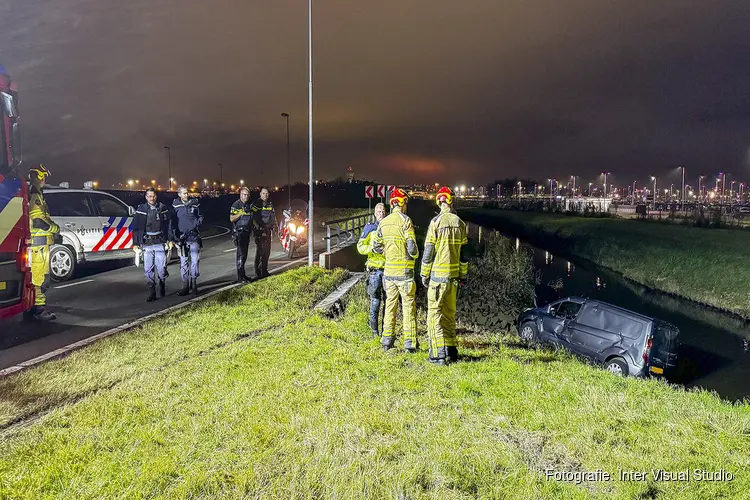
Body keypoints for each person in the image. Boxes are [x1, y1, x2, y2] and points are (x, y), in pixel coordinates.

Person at [421, 186, 469, 365]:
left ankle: (437, 354)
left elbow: (428, 253)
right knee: (449, 314)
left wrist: (424, 275)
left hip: (438, 278)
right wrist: (463, 276)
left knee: (434, 315)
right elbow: (464, 254)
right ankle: (451, 350)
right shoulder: (460, 223)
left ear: (439, 201)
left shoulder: (436, 222)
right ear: (451, 201)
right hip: (454, 278)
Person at [373, 188, 419, 352]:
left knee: (390, 307)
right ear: (402, 203)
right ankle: (410, 344)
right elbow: (412, 248)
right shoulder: (406, 220)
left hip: (389, 274)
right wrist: (414, 256)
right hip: (405, 275)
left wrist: (387, 253)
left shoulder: (383, 222)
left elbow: (376, 246)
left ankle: (386, 342)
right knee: (408, 309)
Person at [26, 164, 59, 321]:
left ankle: (33, 306)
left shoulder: (36, 194)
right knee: (40, 278)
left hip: (41, 242)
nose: (45, 179)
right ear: (39, 177)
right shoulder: (35, 195)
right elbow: (38, 221)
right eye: (43, 176)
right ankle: (39, 309)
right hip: (39, 243)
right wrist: (55, 228)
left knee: (38, 277)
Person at [133, 188, 172, 302]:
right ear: (146, 197)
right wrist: (135, 244)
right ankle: (152, 292)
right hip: (147, 243)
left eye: (153, 196)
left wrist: (169, 240)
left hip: (159, 242)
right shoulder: (141, 209)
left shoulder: (162, 208)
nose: (151, 198)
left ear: (156, 196)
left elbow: (168, 225)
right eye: (149, 196)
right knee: (148, 269)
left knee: (161, 268)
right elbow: (136, 228)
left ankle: (162, 282)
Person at [357, 202, 386, 338]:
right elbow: (360, 247)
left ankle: (386, 331)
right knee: (375, 301)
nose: (382, 213)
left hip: (387, 269)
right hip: (374, 270)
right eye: (379, 211)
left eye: (383, 211)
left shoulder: (389, 227)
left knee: (388, 302)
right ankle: (374, 332)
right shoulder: (370, 228)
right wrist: (372, 249)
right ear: (375, 213)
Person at [172, 186, 203, 295]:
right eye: (184, 193)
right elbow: (173, 221)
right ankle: (185, 285)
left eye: (187, 193)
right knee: (184, 262)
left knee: (194, 261)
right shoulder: (175, 205)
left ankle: (194, 284)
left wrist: (196, 224)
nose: (186, 195)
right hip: (182, 239)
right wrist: (175, 237)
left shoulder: (195, 203)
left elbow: (200, 216)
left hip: (194, 237)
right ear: (179, 194)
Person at [229, 187, 253, 283]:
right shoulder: (236, 205)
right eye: (244, 194)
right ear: (240, 194)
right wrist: (240, 213)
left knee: (244, 255)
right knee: (240, 255)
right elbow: (231, 218)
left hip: (246, 232)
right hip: (239, 233)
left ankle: (243, 275)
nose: (245, 196)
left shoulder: (248, 205)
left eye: (247, 195)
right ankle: (240, 277)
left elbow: (251, 218)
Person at [251, 187, 276, 278]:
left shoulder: (269, 204)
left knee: (267, 251)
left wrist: (274, 227)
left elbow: (273, 217)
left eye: (267, 193)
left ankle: (264, 270)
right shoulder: (257, 203)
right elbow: (252, 216)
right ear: (260, 194)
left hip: (268, 230)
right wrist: (258, 227)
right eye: (264, 193)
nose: (265, 195)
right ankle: (258, 272)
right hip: (260, 231)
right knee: (260, 251)